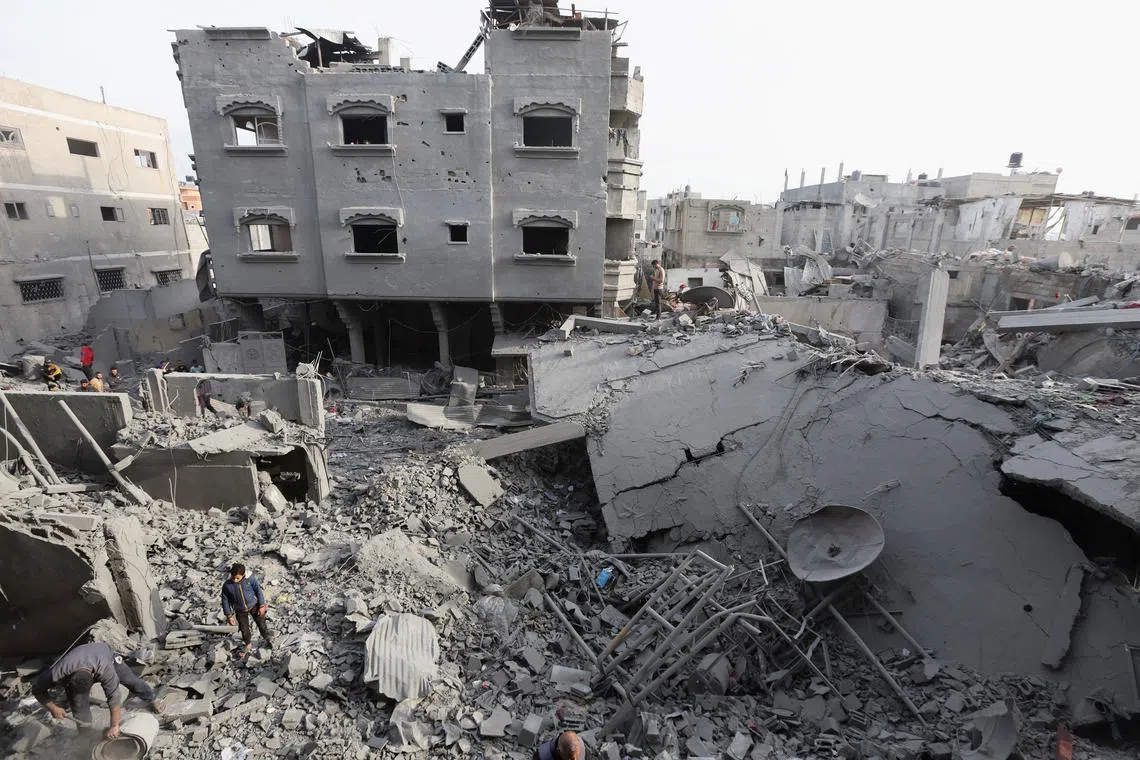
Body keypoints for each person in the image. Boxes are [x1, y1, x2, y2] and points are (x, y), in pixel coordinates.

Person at [32, 642, 159, 738]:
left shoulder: (106, 670)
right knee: (79, 706)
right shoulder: (58, 672)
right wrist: (53, 707)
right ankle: (86, 737)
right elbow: (37, 691)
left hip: (106, 656)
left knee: (131, 681)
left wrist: (114, 726)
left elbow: (114, 698)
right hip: (79, 660)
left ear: (93, 677)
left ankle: (152, 698)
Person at [221, 563, 273, 657]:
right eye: (233, 578)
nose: (235, 580)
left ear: (243, 575)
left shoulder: (250, 579)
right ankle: (248, 644)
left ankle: (268, 639)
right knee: (244, 629)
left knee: (261, 622)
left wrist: (261, 605)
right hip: (240, 610)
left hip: (254, 605)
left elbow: (258, 591)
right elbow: (225, 600)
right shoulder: (227, 585)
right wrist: (229, 615)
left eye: (237, 578)